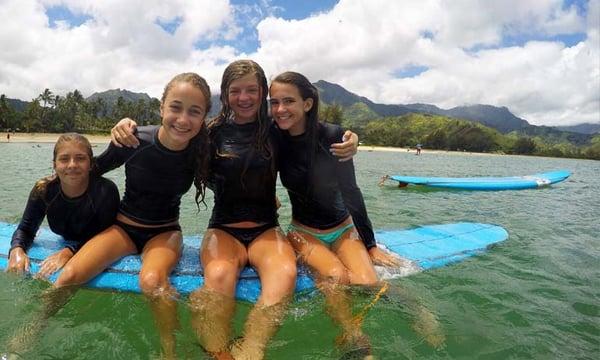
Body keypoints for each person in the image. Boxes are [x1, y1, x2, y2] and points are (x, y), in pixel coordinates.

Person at [110, 60, 359, 360]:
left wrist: (350, 139)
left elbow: (313, 132)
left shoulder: (275, 130)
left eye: (252, 90)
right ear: (225, 95)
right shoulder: (209, 133)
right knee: (218, 274)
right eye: (235, 91)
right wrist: (127, 125)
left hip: (266, 228)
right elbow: (172, 137)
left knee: (284, 274)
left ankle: (252, 348)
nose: (244, 98)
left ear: (263, 92)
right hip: (223, 229)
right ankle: (219, 353)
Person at [35, 72, 211, 360]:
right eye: (175, 107)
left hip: (165, 232)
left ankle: (171, 352)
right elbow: (90, 172)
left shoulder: (201, 151)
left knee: (152, 281)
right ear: (162, 107)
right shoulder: (135, 140)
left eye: (195, 111)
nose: (183, 119)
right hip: (124, 229)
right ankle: (27, 336)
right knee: (69, 276)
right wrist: (51, 196)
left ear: (204, 117)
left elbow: (230, 184)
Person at [269, 71, 402, 357]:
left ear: (307, 104)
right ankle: (354, 339)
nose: (280, 109)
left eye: (288, 101)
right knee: (335, 277)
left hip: (343, 229)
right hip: (303, 232)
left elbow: (351, 192)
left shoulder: (333, 137)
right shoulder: (274, 138)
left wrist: (370, 245)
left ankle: (411, 308)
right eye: (274, 102)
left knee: (367, 283)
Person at [5, 133, 120, 355]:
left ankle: (34, 327)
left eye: (80, 158)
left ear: (90, 164)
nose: (72, 165)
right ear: (54, 164)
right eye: (64, 159)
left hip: (97, 241)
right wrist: (17, 249)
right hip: (68, 238)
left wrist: (69, 251)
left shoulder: (105, 191)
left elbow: (109, 233)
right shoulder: (44, 190)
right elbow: (26, 227)